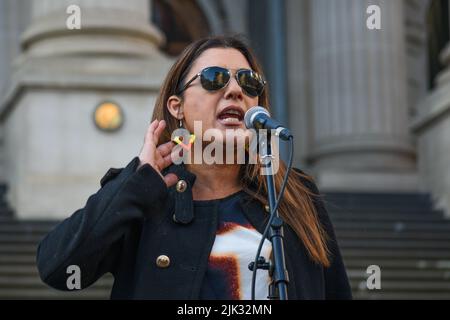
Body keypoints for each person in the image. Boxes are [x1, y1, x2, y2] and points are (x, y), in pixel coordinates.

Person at [36, 35, 352, 300]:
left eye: (248, 81)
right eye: (214, 79)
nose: (235, 91)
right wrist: (137, 184)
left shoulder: (294, 193)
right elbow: (59, 267)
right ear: (178, 107)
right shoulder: (145, 195)